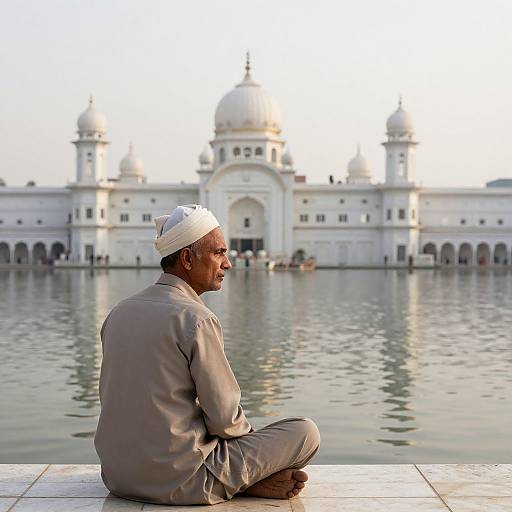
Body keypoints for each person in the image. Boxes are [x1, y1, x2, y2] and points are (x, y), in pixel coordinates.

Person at [94, 205, 320, 506]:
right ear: (188, 259)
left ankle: (246, 479)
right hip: (182, 480)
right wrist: (259, 458)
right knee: (305, 432)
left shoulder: (119, 312)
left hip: (118, 476)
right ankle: (247, 480)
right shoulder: (197, 318)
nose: (227, 263)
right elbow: (225, 420)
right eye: (218, 253)